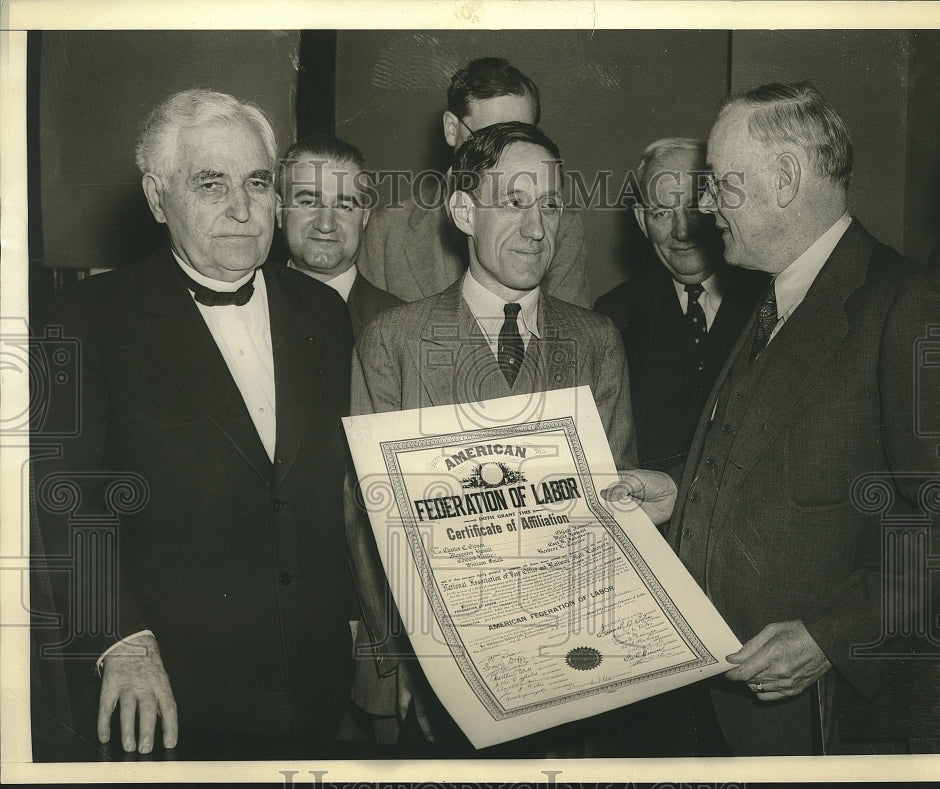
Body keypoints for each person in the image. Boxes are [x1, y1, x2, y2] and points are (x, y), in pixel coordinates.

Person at [618, 81, 940, 755]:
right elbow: (777, 450)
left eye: (720, 182)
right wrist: (679, 486)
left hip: (815, 719)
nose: (705, 203)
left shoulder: (906, 302)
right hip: (725, 705)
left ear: (784, 178)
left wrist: (829, 636)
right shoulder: (776, 296)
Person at [33, 89, 358, 760]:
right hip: (169, 692)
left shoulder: (324, 313)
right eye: (211, 184)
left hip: (317, 682)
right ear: (157, 199)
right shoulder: (86, 320)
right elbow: (65, 497)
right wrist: (120, 639)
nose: (243, 209)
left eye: (258, 183)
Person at [348, 121, 649, 757]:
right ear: (462, 210)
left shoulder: (596, 342)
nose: (537, 229)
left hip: (566, 668)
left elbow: (612, 512)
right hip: (430, 671)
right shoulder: (394, 342)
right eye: (513, 202)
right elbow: (371, 520)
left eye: (550, 205)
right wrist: (417, 666)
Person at [357, 56, 591, 308]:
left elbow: (570, 334)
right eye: (487, 137)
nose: (506, 152)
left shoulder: (562, 229)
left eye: (522, 134)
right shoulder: (387, 231)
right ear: (451, 128)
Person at [595, 138, 767, 480]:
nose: (682, 231)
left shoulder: (770, 298)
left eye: (693, 208)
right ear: (643, 222)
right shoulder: (614, 314)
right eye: (661, 213)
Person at [276, 133, 402, 334]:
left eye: (344, 206)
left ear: (364, 218)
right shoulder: (244, 312)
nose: (326, 225)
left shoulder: (403, 326)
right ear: (279, 211)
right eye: (309, 202)